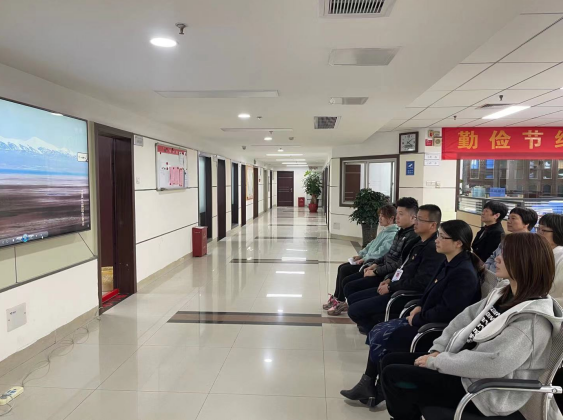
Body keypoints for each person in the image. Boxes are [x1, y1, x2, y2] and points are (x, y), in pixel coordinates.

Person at [380, 233, 562, 420]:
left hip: (483, 391)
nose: (498, 258)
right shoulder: (505, 294)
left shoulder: (532, 320)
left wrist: (437, 362)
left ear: (524, 262)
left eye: (506, 254)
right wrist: (438, 350)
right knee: (390, 360)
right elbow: (464, 318)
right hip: (463, 368)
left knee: (394, 376)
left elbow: (494, 363)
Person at [341, 219, 482, 406]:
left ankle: (379, 388)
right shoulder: (449, 263)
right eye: (438, 235)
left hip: (437, 329)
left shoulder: (463, 272)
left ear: (458, 243)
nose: (437, 240)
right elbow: (430, 290)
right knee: (378, 329)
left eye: (442, 237)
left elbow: (450, 312)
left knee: (387, 336)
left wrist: (418, 318)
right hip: (425, 317)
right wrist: (420, 306)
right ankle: (369, 383)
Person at [345, 205, 446, 332]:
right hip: (395, 284)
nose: (415, 222)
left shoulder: (433, 249)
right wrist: (389, 279)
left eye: (420, 219)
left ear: (433, 225)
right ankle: (375, 330)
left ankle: (378, 332)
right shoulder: (417, 242)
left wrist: (390, 286)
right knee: (353, 298)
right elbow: (403, 266)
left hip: (404, 294)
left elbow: (420, 282)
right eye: (416, 218)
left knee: (355, 310)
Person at [327, 197, 419, 316]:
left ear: (413, 217)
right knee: (346, 278)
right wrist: (374, 264)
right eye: (397, 213)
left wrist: (376, 271)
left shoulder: (412, 238)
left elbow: (399, 264)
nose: (397, 217)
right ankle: (345, 303)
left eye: (401, 214)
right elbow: (386, 254)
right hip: (383, 270)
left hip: (388, 276)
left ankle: (350, 307)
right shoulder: (400, 233)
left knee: (349, 284)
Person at [323, 205, 398, 311]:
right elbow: (371, 245)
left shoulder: (392, 234)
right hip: (367, 259)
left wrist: (365, 258)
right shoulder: (384, 231)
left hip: (371, 263)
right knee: (341, 267)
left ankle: (340, 301)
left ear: (391, 218)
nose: (380, 218)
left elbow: (381, 253)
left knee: (345, 270)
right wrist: (361, 254)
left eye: (383, 216)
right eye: (380, 215)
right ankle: (337, 297)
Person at [485, 207, 538, 272]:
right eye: (508, 218)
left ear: (526, 224)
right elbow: (493, 256)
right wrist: (486, 268)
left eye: (513, 218)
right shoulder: (507, 239)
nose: (508, 221)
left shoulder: (530, 244)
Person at [538, 213, 563, 306]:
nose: (538, 233)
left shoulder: (560, 257)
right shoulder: (543, 252)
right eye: (538, 229)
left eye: (544, 230)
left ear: (558, 232)